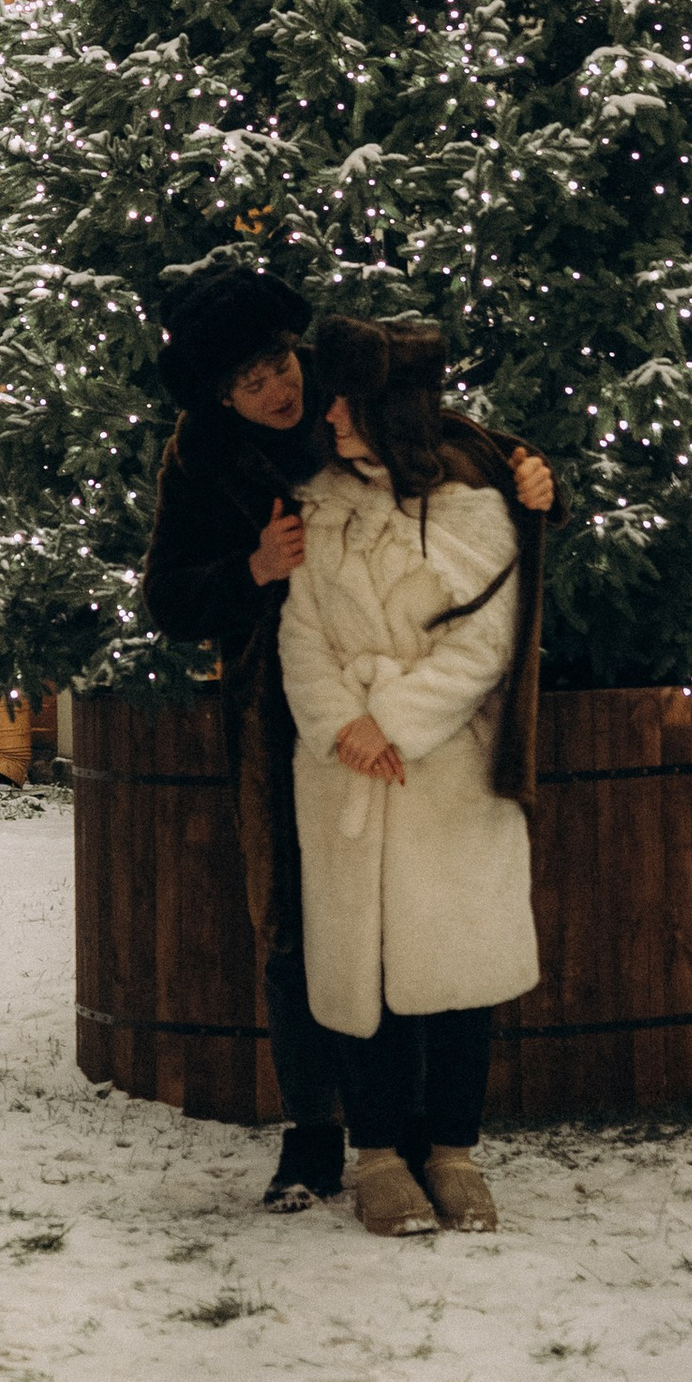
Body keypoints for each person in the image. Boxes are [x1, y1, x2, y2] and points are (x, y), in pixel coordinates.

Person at [140, 261, 551, 1216]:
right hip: (280, 704)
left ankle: (425, 1137)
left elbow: (461, 451)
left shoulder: (347, 383)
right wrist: (249, 568)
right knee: (297, 921)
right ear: (219, 395)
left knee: (421, 910)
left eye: (280, 366)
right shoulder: (200, 455)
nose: (281, 393)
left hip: (415, 710)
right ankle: (319, 1135)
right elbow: (166, 595)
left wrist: (536, 478)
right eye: (250, 383)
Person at [277, 313, 544, 1237]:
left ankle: (456, 1152)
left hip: (445, 772)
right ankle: (380, 1157)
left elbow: (488, 644)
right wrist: (342, 724)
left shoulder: (475, 510)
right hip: (345, 772)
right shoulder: (318, 502)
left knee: (457, 970)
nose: (331, 416)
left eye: (349, 401)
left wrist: (392, 721)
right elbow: (302, 635)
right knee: (361, 972)